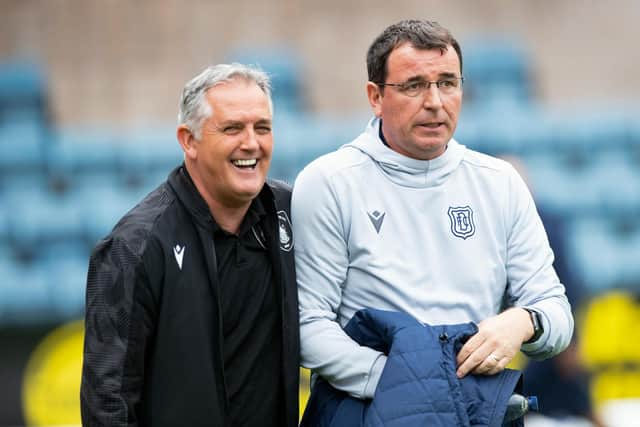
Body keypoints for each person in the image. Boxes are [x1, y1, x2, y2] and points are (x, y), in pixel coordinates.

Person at [292, 19, 574, 404]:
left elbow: (556, 312)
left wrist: (521, 321)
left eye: (447, 83)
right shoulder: (328, 182)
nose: (435, 102)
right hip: (368, 407)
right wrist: (406, 385)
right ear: (375, 96)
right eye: (413, 86)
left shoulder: (501, 182)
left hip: (474, 405)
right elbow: (308, 326)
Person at [80, 63, 299, 427]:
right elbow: (109, 403)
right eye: (232, 128)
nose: (251, 143)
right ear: (188, 140)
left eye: (262, 128)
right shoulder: (134, 246)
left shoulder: (291, 213)